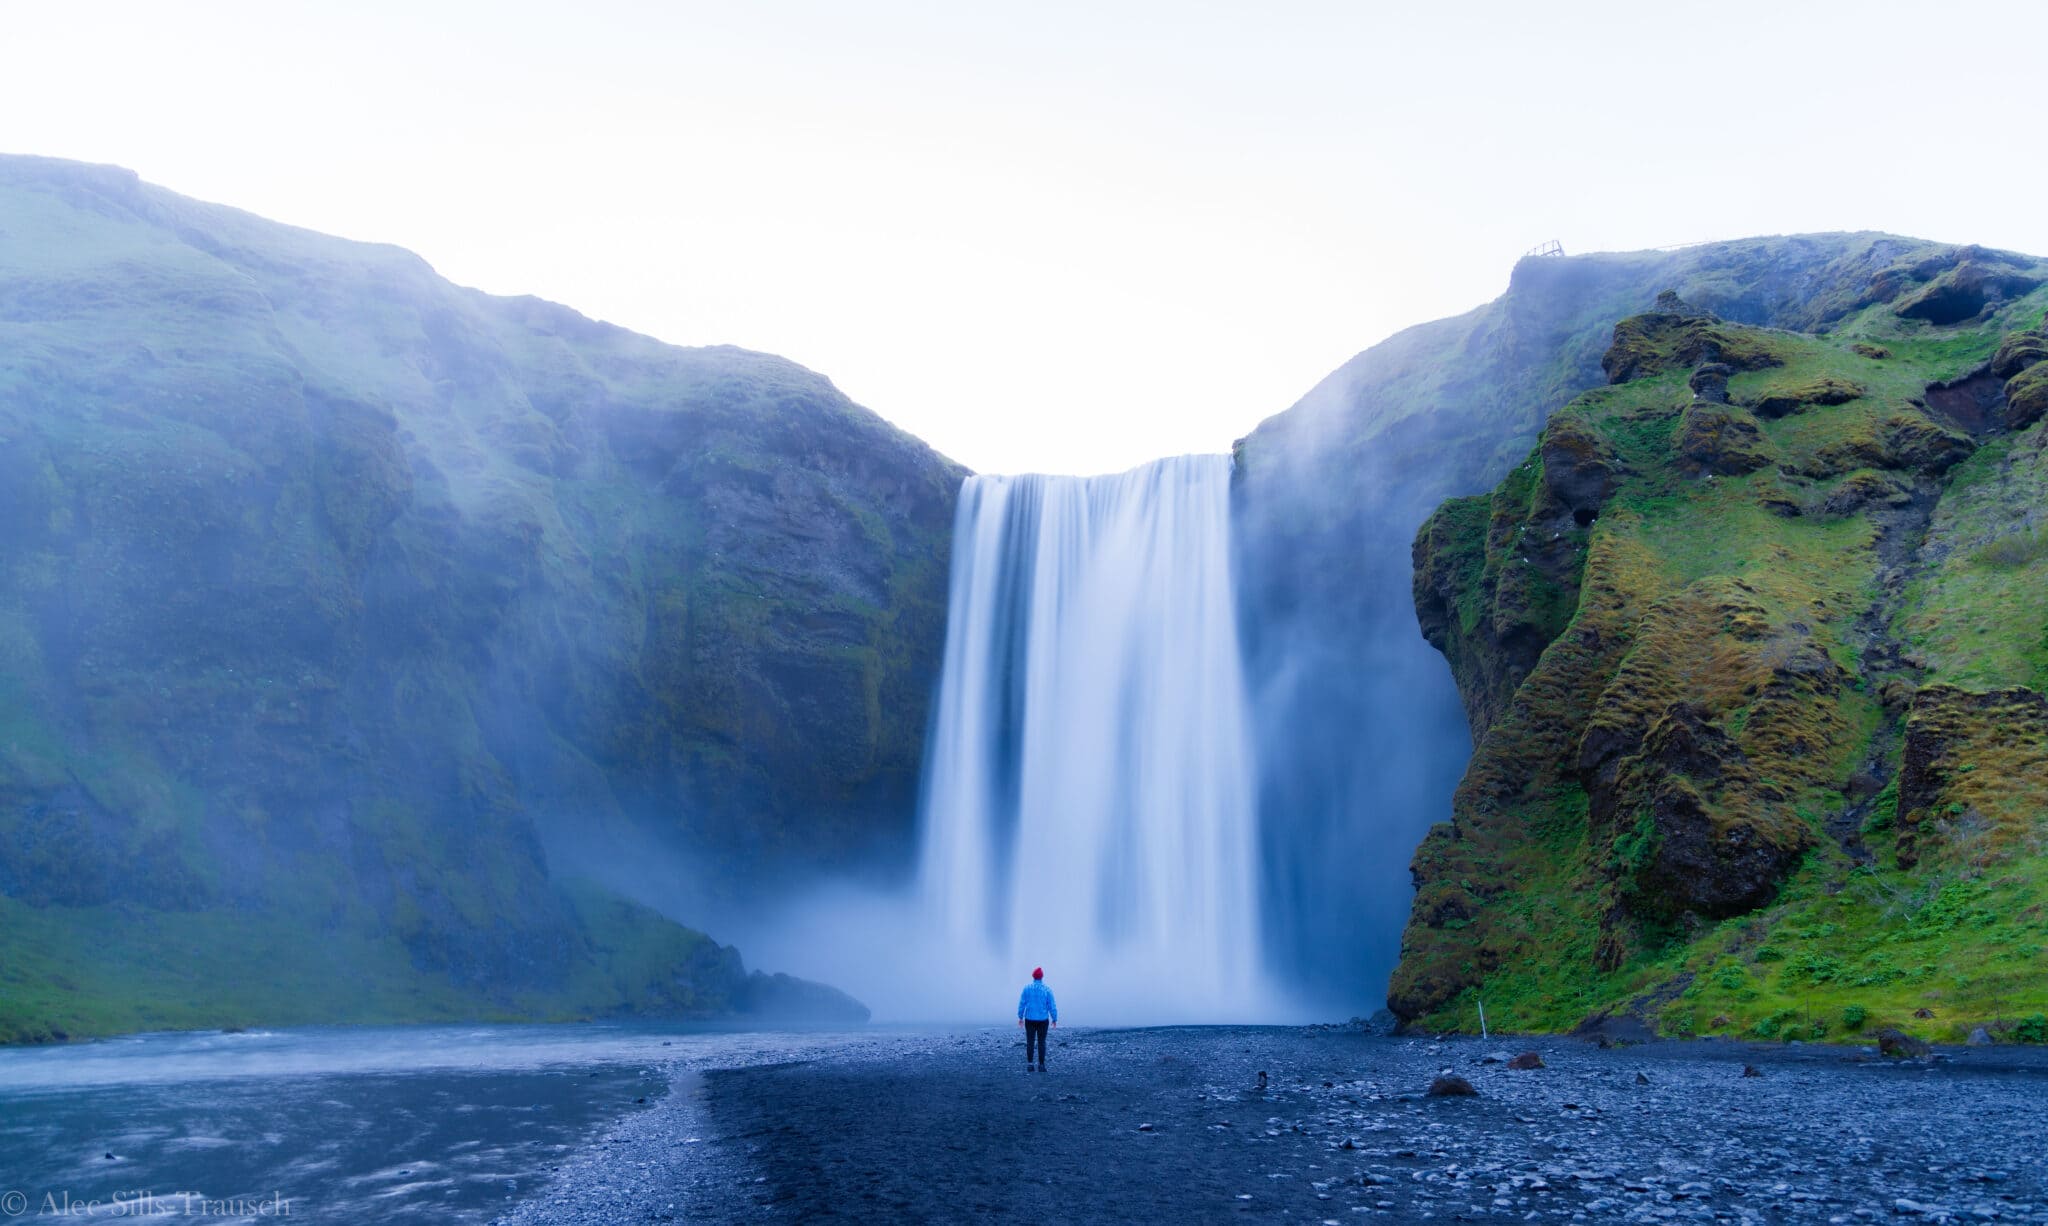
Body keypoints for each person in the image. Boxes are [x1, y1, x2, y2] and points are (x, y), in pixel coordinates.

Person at [1017, 967, 1057, 1072]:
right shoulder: (1047, 989)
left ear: (1033, 976)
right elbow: (1051, 1005)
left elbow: (1022, 1004)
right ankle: (1041, 1065)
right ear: (1042, 976)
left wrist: (1020, 1017)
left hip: (1029, 1019)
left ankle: (1030, 1064)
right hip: (1043, 1020)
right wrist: (1054, 1018)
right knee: (1041, 1042)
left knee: (1030, 1041)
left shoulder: (1027, 988)